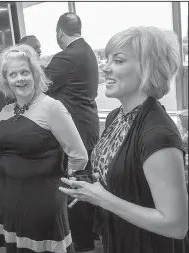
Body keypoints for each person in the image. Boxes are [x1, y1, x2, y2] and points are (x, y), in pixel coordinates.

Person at [59, 26, 188, 253]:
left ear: (148, 68)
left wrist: (102, 198)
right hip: (118, 237)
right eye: (107, 60)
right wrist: (92, 185)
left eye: (118, 61)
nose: (106, 68)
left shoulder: (157, 134)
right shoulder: (116, 117)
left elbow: (175, 225)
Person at [0, 44, 88, 253]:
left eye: (24, 72)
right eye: (13, 74)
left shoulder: (51, 107)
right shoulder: (6, 111)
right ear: (6, 80)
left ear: (34, 73)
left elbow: (79, 157)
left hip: (41, 204)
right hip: (7, 199)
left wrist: (62, 191)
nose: (20, 79)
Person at [44, 12, 100, 252]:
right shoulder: (88, 52)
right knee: (86, 182)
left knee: (74, 187)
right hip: (88, 126)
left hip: (75, 132)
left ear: (59, 33)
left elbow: (40, 87)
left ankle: (83, 243)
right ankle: (92, 234)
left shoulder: (65, 57)